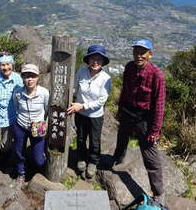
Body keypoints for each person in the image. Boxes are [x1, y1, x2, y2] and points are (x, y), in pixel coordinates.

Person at [111, 39, 166, 205]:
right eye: (136, 52)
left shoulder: (157, 75)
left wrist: (155, 131)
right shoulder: (129, 67)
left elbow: (159, 105)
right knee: (122, 136)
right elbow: (125, 90)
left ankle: (158, 193)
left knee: (150, 156)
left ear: (150, 54)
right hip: (128, 110)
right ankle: (118, 159)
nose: (138, 55)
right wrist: (120, 110)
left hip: (144, 117)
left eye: (142, 52)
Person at [67, 45, 111, 179]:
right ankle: (81, 157)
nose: (95, 62)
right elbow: (74, 89)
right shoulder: (81, 72)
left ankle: (93, 162)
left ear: (103, 61)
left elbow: (101, 101)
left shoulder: (105, 78)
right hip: (80, 114)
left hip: (95, 115)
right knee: (80, 137)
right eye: (93, 58)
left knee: (94, 140)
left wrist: (82, 106)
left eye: (99, 59)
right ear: (88, 60)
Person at [12, 63, 49, 184]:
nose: (30, 79)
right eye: (26, 76)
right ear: (22, 78)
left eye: (33, 76)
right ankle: (21, 172)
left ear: (38, 77)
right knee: (18, 151)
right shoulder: (17, 93)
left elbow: (47, 110)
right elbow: (16, 108)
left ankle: (39, 168)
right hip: (21, 125)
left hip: (38, 126)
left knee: (38, 160)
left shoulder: (44, 93)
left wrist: (43, 123)